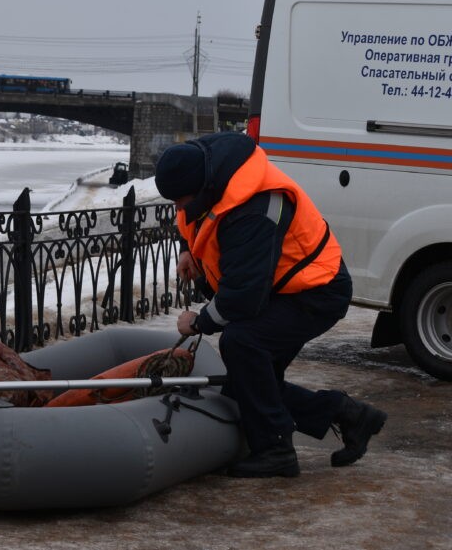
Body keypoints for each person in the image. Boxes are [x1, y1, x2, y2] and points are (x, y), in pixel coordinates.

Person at [154, 132, 386, 478]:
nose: (179, 209)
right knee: (249, 382)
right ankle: (348, 414)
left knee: (242, 343)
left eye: (182, 201)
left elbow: (243, 296)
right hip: (279, 287)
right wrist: (187, 249)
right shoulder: (205, 168)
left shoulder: (255, 207)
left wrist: (199, 322)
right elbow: (191, 220)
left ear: (203, 190)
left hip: (316, 291)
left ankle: (276, 450)